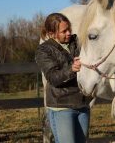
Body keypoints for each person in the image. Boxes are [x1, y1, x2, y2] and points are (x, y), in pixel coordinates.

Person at [35, 13, 90, 143]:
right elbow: (53, 77)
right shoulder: (44, 50)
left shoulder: (77, 41)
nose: (69, 33)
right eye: (64, 31)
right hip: (61, 107)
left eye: (69, 29)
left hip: (82, 104)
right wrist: (71, 69)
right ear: (52, 33)